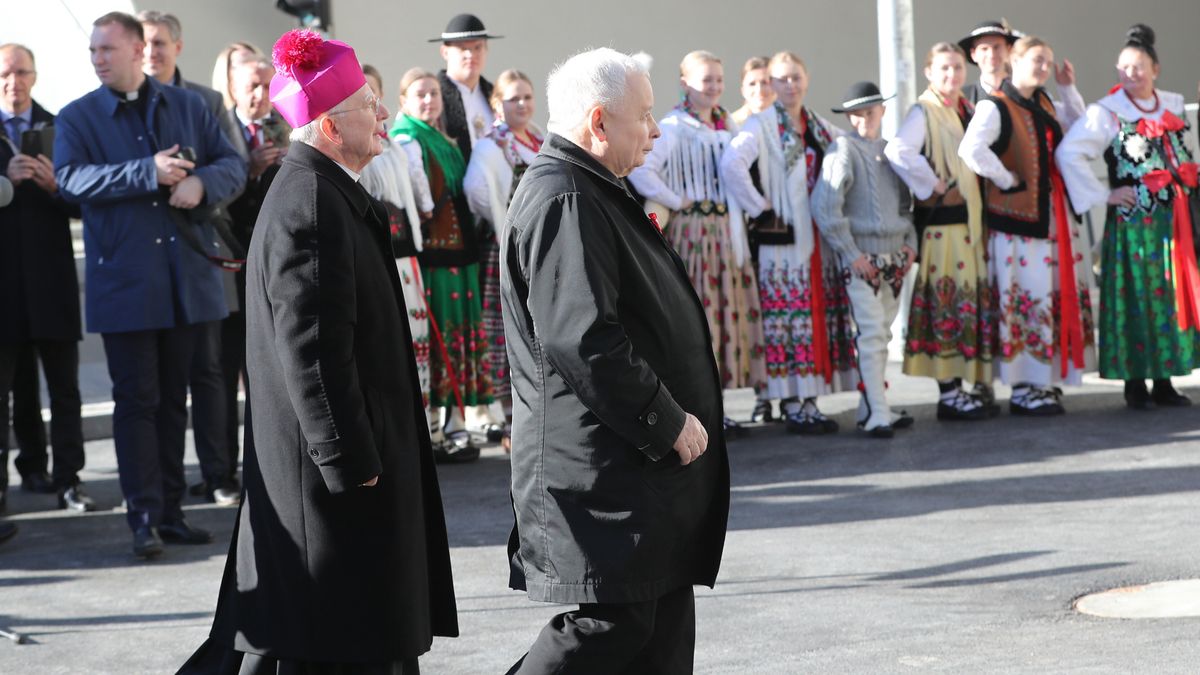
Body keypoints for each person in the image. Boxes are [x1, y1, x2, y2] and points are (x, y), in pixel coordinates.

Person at [179, 29, 457, 674]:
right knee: (323, 643)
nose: (384, 114)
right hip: (333, 482)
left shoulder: (325, 192)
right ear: (330, 126)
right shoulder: (309, 202)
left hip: (347, 468)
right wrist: (349, 458)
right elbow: (313, 352)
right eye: (369, 105)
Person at [502, 47, 728, 674]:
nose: (655, 131)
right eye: (645, 117)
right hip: (602, 475)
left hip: (636, 475)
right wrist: (667, 420)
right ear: (599, 123)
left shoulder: (594, 186)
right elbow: (585, 340)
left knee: (657, 628)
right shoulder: (564, 197)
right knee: (607, 627)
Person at [53, 12, 245, 557]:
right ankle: (142, 517)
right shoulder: (78, 116)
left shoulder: (189, 105)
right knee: (136, 401)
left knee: (173, 401)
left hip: (186, 279)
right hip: (127, 286)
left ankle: (171, 512)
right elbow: (70, 181)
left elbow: (233, 163)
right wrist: (147, 172)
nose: (97, 59)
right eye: (93, 51)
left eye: (107, 49)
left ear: (139, 51)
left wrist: (202, 183)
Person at [1057, 25, 1198, 409]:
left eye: (1138, 67)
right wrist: (1105, 194)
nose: (1130, 74)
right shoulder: (1107, 112)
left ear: (1156, 68)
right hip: (1134, 225)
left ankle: (1166, 377)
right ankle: (1135, 380)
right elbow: (1070, 154)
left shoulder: (1170, 104)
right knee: (1137, 298)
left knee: (1169, 297)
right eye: (1124, 67)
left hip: (1172, 222)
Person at [629, 50, 766, 436]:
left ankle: (718, 404)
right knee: (701, 316)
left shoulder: (728, 126)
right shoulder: (673, 126)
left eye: (719, 80)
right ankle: (699, 407)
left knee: (724, 315)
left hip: (725, 232)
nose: (715, 87)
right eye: (706, 80)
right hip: (695, 234)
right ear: (685, 82)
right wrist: (677, 200)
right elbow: (645, 171)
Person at [720, 51, 857, 434]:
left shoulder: (816, 125)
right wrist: (763, 209)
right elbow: (731, 165)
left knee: (814, 315)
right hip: (784, 240)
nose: (789, 85)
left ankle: (808, 399)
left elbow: (849, 146)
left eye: (795, 77)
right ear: (772, 84)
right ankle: (792, 401)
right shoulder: (761, 125)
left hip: (817, 235)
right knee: (789, 318)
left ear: (806, 79)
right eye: (781, 79)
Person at [959, 35, 1094, 416]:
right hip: (1018, 220)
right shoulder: (997, 106)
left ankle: (1041, 381)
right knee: (1026, 295)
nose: (1044, 68)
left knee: (1047, 293)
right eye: (1037, 60)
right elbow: (970, 149)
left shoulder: (1044, 101)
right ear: (1015, 61)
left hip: (1049, 216)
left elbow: (1079, 129)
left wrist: (1068, 89)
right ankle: (1023, 386)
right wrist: (1006, 179)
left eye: (1047, 62)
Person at [140, 10, 242, 507]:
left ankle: (219, 473)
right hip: (146, 267)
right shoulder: (125, 107)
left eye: (158, 43)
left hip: (202, 256)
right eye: (142, 43)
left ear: (177, 47)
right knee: (155, 384)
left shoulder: (205, 101)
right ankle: (165, 486)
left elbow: (234, 166)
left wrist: (202, 185)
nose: (150, 52)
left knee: (209, 372)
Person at [0, 43, 94, 512]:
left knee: (64, 387)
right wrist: (6, 179)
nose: (13, 82)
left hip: (51, 278)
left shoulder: (60, 127)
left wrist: (55, 186)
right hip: (5, 287)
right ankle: (29, 470)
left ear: (34, 76)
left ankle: (69, 477)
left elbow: (83, 203)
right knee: (13, 389)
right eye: (4, 74)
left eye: (20, 73)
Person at [885, 42, 996, 421]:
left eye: (957, 68)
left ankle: (964, 386)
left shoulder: (962, 108)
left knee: (964, 304)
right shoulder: (925, 111)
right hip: (943, 229)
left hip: (967, 225)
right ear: (929, 72)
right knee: (946, 304)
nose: (952, 75)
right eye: (944, 68)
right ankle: (948, 392)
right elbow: (898, 150)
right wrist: (932, 183)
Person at [391, 68, 492, 463]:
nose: (429, 100)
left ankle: (454, 423)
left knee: (459, 336)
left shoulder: (442, 137)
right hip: (434, 257)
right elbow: (420, 193)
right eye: (420, 94)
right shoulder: (408, 137)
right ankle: (435, 428)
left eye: (433, 93)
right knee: (436, 340)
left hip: (459, 253)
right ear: (404, 101)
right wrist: (428, 207)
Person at [812, 82, 918, 438]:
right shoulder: (843, 149)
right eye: (855, 114)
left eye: (869, 112)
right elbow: (825, 206)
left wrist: (910, 245)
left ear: (882, 112)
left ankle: (872, 405)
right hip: (864, 261)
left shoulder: (891, 151)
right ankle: (877, 412)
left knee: (883, 334)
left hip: (895, 257)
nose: (862, 121)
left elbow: (907, 205)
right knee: (872, 334)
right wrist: (851, 253)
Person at [207, 52, 288, 500]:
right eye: (250, 86)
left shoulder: (285, 126)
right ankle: (222, 473)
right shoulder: (222, 132)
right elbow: (217, 205)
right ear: (233, 89)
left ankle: (267, 466)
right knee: (226, 371)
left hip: (277, 267)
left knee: (273, 372)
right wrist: (250, 169)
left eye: (266, 84)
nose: (260, 95)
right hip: (233, 267)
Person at [463, 69, 545, 450]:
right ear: (497, 103)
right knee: (508, 332)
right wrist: (504, 218)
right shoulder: (492, 144)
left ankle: (542, 415)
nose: (523, 105)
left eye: (527, 97)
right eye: (514, 98)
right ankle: (514, 421)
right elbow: (475, 190)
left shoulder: (538, 138)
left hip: (542, 246)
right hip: (509, 246)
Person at [359, 64, 433, 426]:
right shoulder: (364, 151)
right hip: (382, 255)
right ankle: (401, 425)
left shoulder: (396, 147)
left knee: (418, 339)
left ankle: (427, 425)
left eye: (375, 96)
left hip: (407, 253)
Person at [430, 13, 502, 162]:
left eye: (477, 47)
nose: (471, 55)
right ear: (445, 52)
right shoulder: (431, 97)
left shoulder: (495, 94)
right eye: (462, 48)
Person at [958, 19, 1019, 106]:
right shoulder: (963, 98)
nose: (991, 55)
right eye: (984, 49)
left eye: (997, 47)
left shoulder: (1024, 92)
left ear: (1009, 50)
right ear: (973, 54)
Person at [211, 41, 262, 111]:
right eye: (243, 63)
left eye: (255, 62)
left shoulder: (279, 117)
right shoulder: (211, 117)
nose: (252, 68)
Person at [730, 56, 774, 128]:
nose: (759, 90)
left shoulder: (789, 122)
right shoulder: (731, 124)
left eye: (765, 82)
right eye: (752, 84)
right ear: (743, 90)